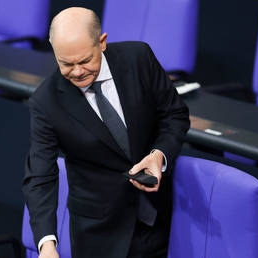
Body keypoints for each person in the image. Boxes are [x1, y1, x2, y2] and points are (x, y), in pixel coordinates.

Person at [23, 7, 190, 258]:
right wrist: (47, 244)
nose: (77, 71)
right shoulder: (45, 103)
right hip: (99, 234)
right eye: (66, 64)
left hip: (159, 216)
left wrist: (159, 154)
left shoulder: (138, 59)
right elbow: (40, 175)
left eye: (84, 61)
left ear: (101, 42)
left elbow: (174, 115)